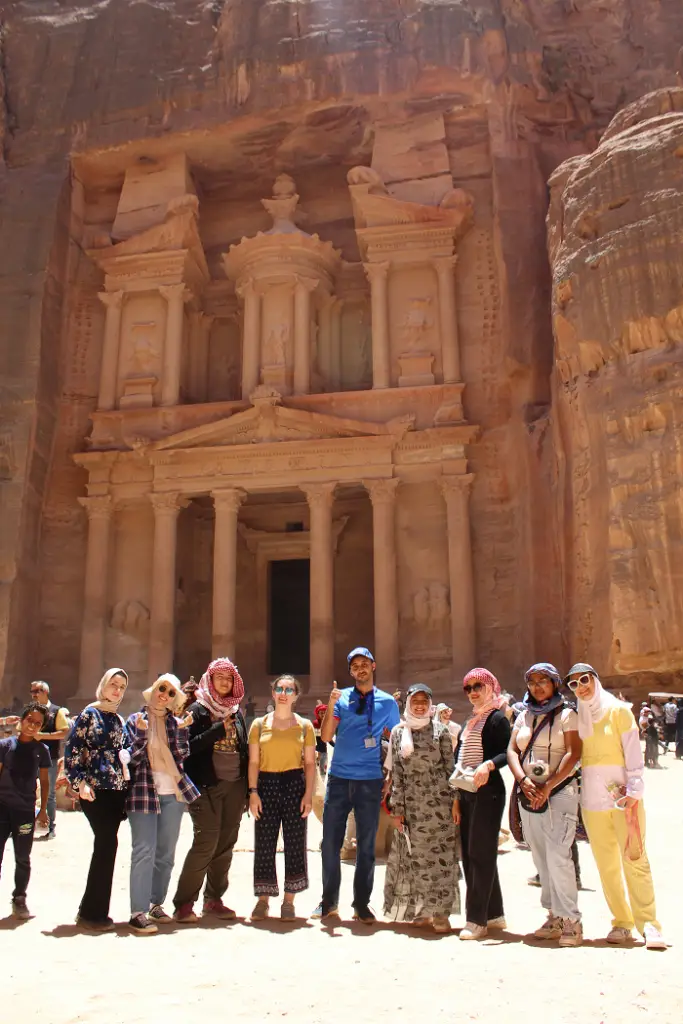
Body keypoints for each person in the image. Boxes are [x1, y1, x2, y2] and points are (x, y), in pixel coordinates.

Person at [566, 663, 667, 950]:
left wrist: (635, 790)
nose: (581, 687)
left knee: (635, 859)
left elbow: (633, 752)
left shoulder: (618, 711)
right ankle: (621, 922)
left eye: (585, 680)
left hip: (624, 800)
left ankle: (649, 923)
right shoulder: (580, 717)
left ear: (595, 680)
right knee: (607, 866)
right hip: (592, 803)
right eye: (574, 684)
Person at [313, 646, 400, 923]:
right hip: (339, 777)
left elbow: (397, 742)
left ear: (373, 666)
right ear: (350, 671)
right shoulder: (341, 698)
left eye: (364, 664)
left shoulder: (387, 703)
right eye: (355, 666)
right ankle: (328, 902)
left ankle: (361, 903)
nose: (360, 669)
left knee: (366, 844)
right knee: (331, 843)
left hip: (369, 779)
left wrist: (391, 777)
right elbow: (326, 735)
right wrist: (331, 704)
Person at [508, 663, 582, 947]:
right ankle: (554, 916)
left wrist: (548, 786)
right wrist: (523, 780)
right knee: (540, 858)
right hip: (529, 793)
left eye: (543, 681)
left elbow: (573, 754)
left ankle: (571, 920)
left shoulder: (567, 714)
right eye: (533, 682)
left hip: (559, 792)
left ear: (554, 684)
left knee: (559, 856)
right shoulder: (524, 715)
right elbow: (512, 750)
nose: (537, 687)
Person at [172, 656, 248, 923]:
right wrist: (217, 730)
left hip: (234, 784)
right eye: (220, 678)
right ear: (210, 679)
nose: (225, 682)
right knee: (206, 842)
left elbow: (243, 748)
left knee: (226, 843)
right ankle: (184, 903)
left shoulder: (236, 711)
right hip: (205, 785)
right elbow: (187, 747)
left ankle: (213, 899)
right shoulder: (198, 710)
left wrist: (248, 788)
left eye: (229, 678)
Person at [124, 674, 200, 935]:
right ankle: (137, 911)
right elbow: (132, 758)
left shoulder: (175, 722)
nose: (164, 695)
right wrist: (141, 733)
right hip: (143, 791)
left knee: (166, 853)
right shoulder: (135, 720)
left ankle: (156, 904)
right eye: (161, 689)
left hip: (173, 792)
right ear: (153, 689)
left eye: (170, 693)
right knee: (143, 850)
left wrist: (183, 731)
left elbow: (181, 756)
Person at [383, 683, 460, 932]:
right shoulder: (398, 733)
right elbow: (398, 774)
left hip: (440, 804)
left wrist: (455, 801)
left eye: (424, 701)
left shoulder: (441, 731)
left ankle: (442, 914)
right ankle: (424, 911)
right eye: (415, 701)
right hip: (413, 806)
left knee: (441, 859)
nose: (419, 705)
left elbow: (450, 769)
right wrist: (397, 810)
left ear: (430, 704)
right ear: (408, 703)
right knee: (415, 859)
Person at [64, 667, 129, 932]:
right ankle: (91, 913)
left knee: (108, 846)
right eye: (113, 684)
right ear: (103, 685)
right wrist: (79, 783)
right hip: (94, 789)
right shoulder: (89, 714)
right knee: (106, 843)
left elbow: (123, 752)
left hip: (116, 789)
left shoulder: (118, 719)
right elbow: (73, 750)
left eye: (122, 687)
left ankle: (93, 911)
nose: (117, 690)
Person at [248, 675, 316, 920]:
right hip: (266, 783)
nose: (283, 693)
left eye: (289, 690)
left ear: (296, 695)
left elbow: (310, 763)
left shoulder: (305, 726)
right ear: (273, 693)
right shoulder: (259, 724)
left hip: (294, 783)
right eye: (279, 689)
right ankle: (263, 900)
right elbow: (254, 762)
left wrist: (308, 794)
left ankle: (289, 901)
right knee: (264, 843)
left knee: (295, 843)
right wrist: (253, 792)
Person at [451, 667, 511, 941]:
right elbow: (460, 759)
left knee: (479, 854)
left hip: (489, 792)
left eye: (478, 687)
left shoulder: (497, 718)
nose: (473, 692)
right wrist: (456, 798)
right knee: (474, 852)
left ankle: (476, 920)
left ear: (490, 688)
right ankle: (494, 915)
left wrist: (488, 765)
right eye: (469, 688)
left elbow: (507, 752)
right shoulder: (471, 720)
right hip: (466, 791)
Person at [0, 702, 50, 919]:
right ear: (21, 720)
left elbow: (44, 782)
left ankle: (19, 898)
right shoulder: (5, 746)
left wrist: (43, 810)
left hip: (25, 812)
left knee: (23, 857)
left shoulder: (41, 751)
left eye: (38, 723)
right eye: (30, 720)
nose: (32, 725)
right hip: (2, 809)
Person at [29, 681, 70, 841]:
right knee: (27, 791)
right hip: (30, 757)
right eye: (32, 691)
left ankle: (51, 827)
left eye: (37, 691)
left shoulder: (56, 711)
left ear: (45, 692)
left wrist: (43, 736)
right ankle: (26, 826)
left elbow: (63, 732)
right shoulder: (30, 711)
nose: (34, 694)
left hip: (49, 758)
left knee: (50, 794)